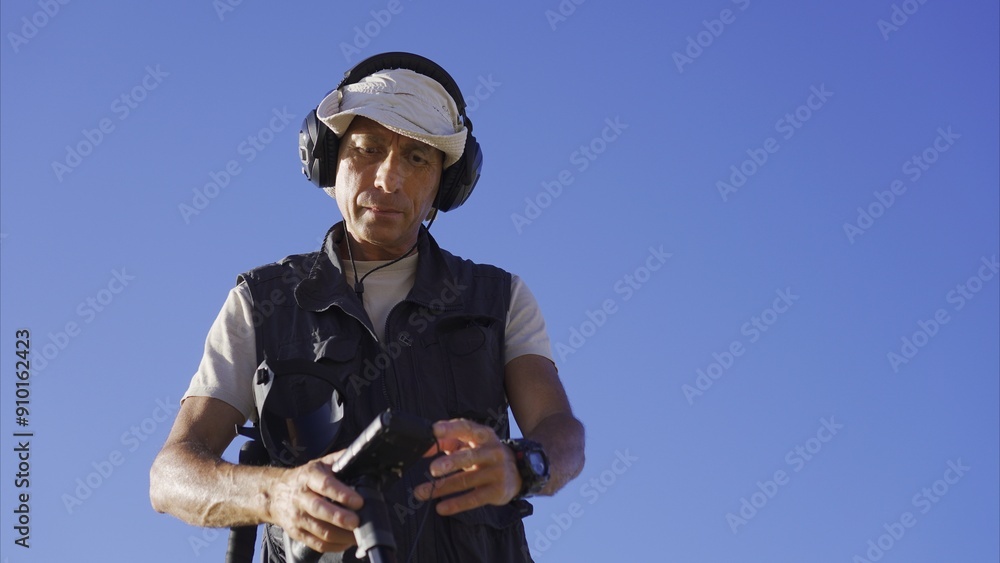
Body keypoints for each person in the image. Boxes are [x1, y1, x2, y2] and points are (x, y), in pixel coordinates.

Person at [149, 52, 585, 562]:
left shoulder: (500, 298)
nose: (388, 179)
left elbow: (562, 434)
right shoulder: (259, 301)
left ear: (447, 184)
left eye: (417, 158)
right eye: (368, 149)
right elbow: (170, 475)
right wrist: (275, 495)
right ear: (328, 159)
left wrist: (522, 465)